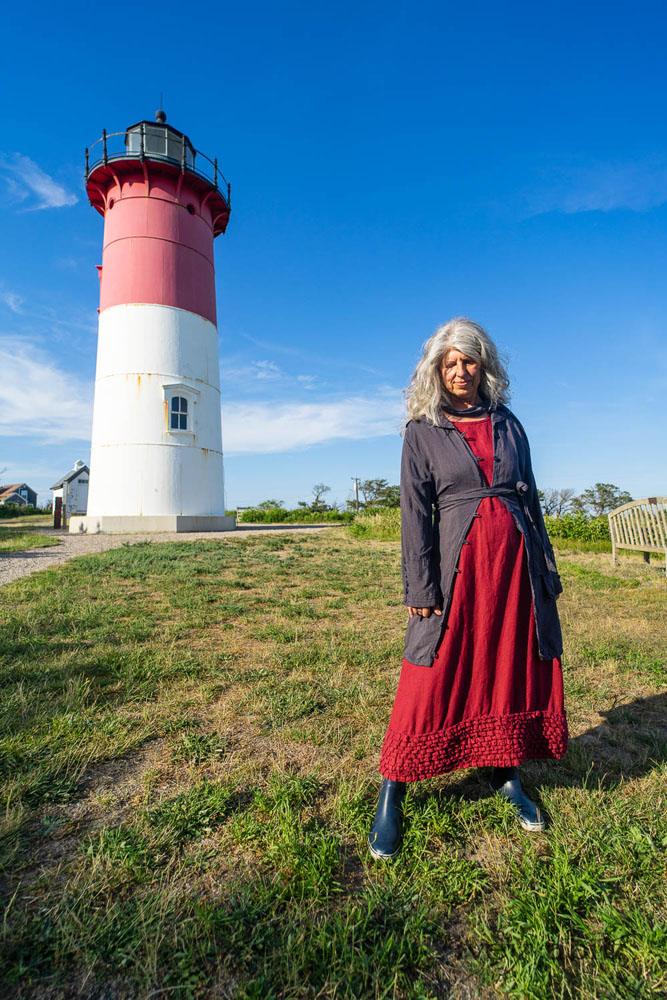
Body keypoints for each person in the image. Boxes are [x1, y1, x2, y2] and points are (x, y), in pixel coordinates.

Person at [368, 317, 568, 860]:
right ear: (436, 370)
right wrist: (420, 582)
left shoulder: (508, 423)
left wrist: (544, 567)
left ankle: (505, 773)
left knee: (506, 662)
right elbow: (414, 514)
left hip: (514, 566)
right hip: (457, 567)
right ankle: (394, 787)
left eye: (469, 361)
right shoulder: (422, 430)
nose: (460, 371)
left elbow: (531, 500)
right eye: (449, 363)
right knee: (428, 672)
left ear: (485, 365)